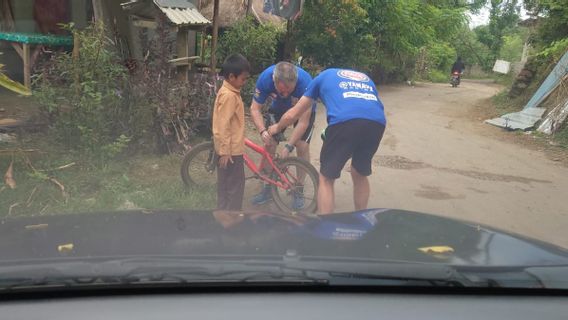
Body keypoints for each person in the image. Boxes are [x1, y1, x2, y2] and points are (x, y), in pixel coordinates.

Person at [268, 68, 386, 214]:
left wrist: (276, 127)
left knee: (326, 179)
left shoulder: (320, 78)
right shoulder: (364, 77)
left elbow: (294, 114)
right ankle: (362, 219)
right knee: (360, 173)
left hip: (344, 121)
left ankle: (326, 226)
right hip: (377, 122)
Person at [250, 61, 316, 209]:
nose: (285, 94)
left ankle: (298, 188)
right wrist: (262, 131)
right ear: (274, 80)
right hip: (278, 109)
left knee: (302, 145)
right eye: (281, 91)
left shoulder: (306, 83)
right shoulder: (265, 78)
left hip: (302, 111)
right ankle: (268, 187)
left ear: (296, 82)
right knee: (269, 144)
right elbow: (255, 109)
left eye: (289, 91)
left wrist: (288, 147)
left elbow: (303, 123)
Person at [212, 54, 251, 211]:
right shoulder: (229, 96)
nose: (245, 82)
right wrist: (225, 151)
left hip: (228, 149)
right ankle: (231, 222)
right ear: (231, 76)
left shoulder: (229, 91)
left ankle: (223, 218)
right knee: (234, 188)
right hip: (231, 152)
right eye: (243, 79)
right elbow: (223, 125)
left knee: (225, 186)